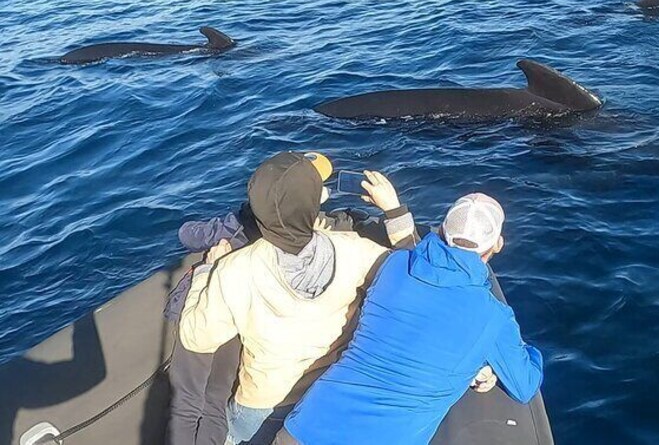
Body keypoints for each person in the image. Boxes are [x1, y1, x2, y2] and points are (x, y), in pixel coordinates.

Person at [178, 152, 416, 445]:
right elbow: (411, 278)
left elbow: (196, 337)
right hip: (326, 395)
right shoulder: (355, 250)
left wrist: (206, 270)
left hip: (260, 408)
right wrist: (394, 210)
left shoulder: (235, 269)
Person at [280, 193, 544, 445]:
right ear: (497, 245)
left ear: (441, 229)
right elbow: (525, 386)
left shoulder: (395, 264)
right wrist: (519, 354)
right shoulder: (494, 317)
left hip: (304, 426)